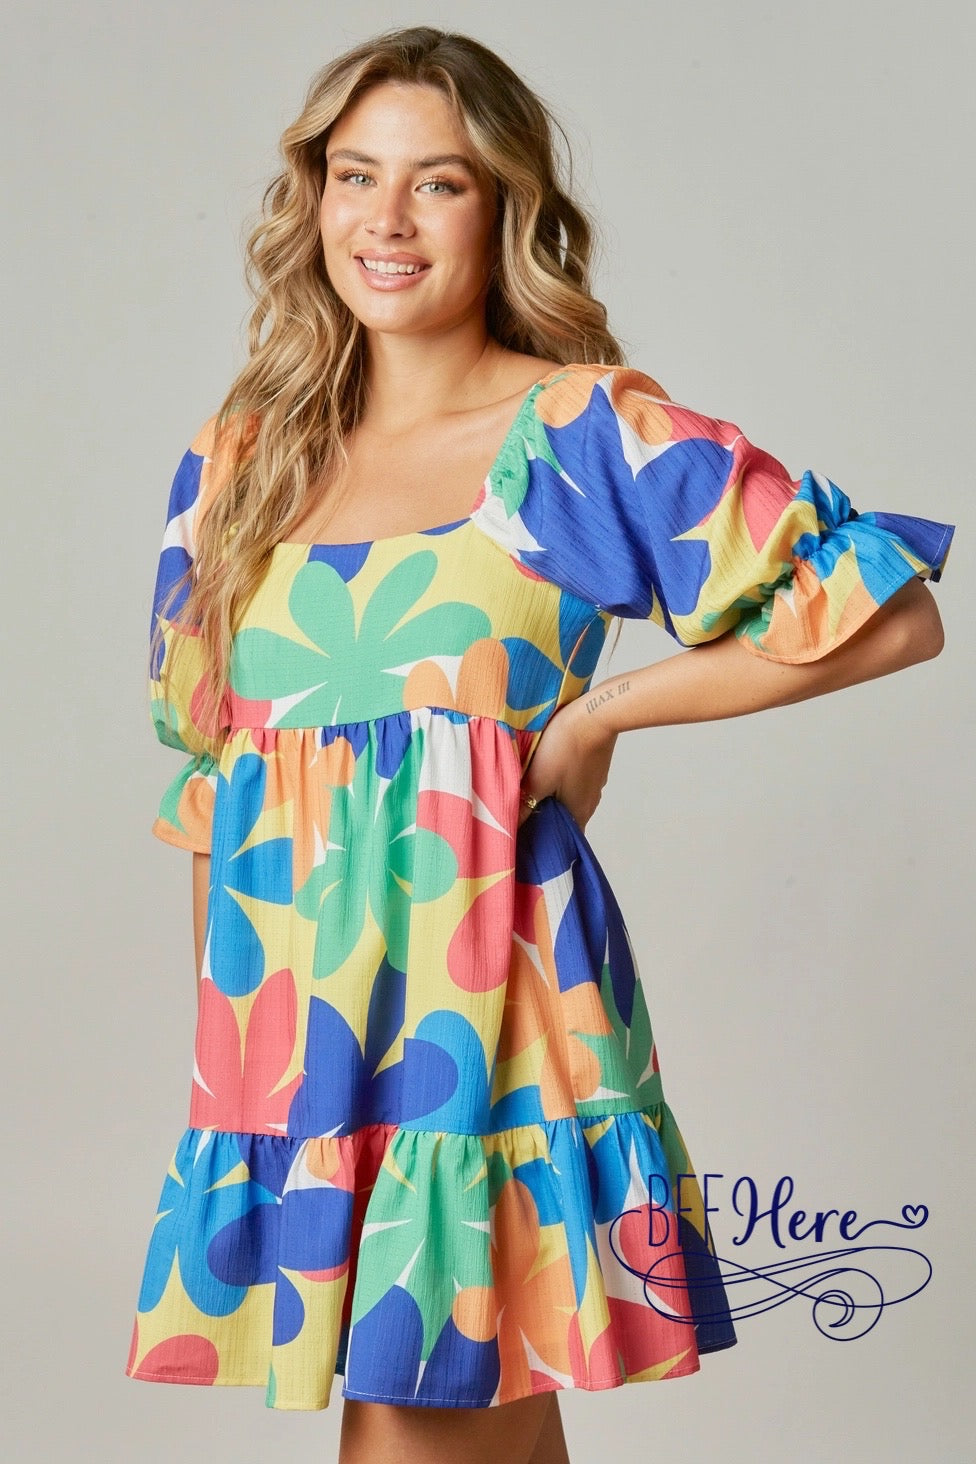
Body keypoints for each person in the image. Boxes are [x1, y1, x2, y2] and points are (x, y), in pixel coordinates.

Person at [124, 23, 953, 1464]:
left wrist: (598, 713)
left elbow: (888, 610)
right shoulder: (238, 462)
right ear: (313, 197)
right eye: (355, 175)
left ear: (503, 207)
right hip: (296, 1062)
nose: (386, 220)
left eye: (437, 182)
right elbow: (217, 783)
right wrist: (237, 1082)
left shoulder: (572, 432)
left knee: (418, 1424)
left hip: (490, 1040)